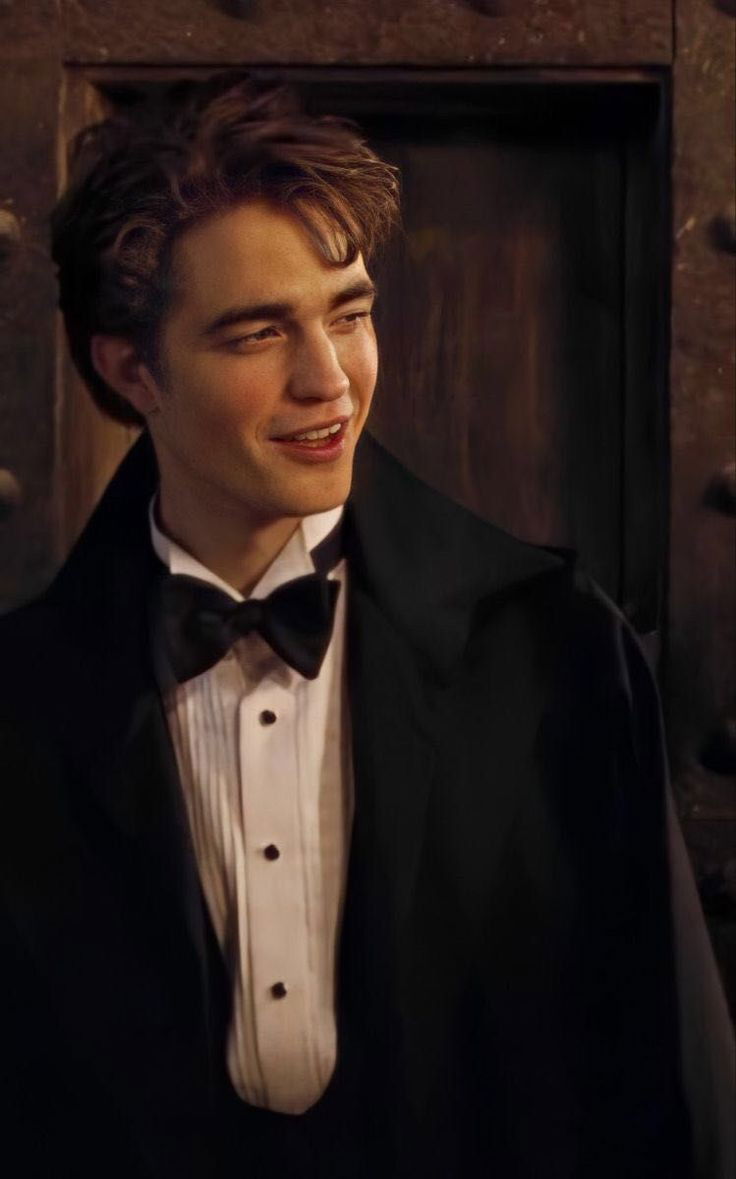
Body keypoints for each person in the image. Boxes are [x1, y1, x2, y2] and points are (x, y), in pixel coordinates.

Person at [0, 72, 732, 1179]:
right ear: (131, 367)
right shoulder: (19, 704)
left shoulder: (559, 654)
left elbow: (673, 1100)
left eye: (348, 313)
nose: (329, 379)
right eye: (258, 334)